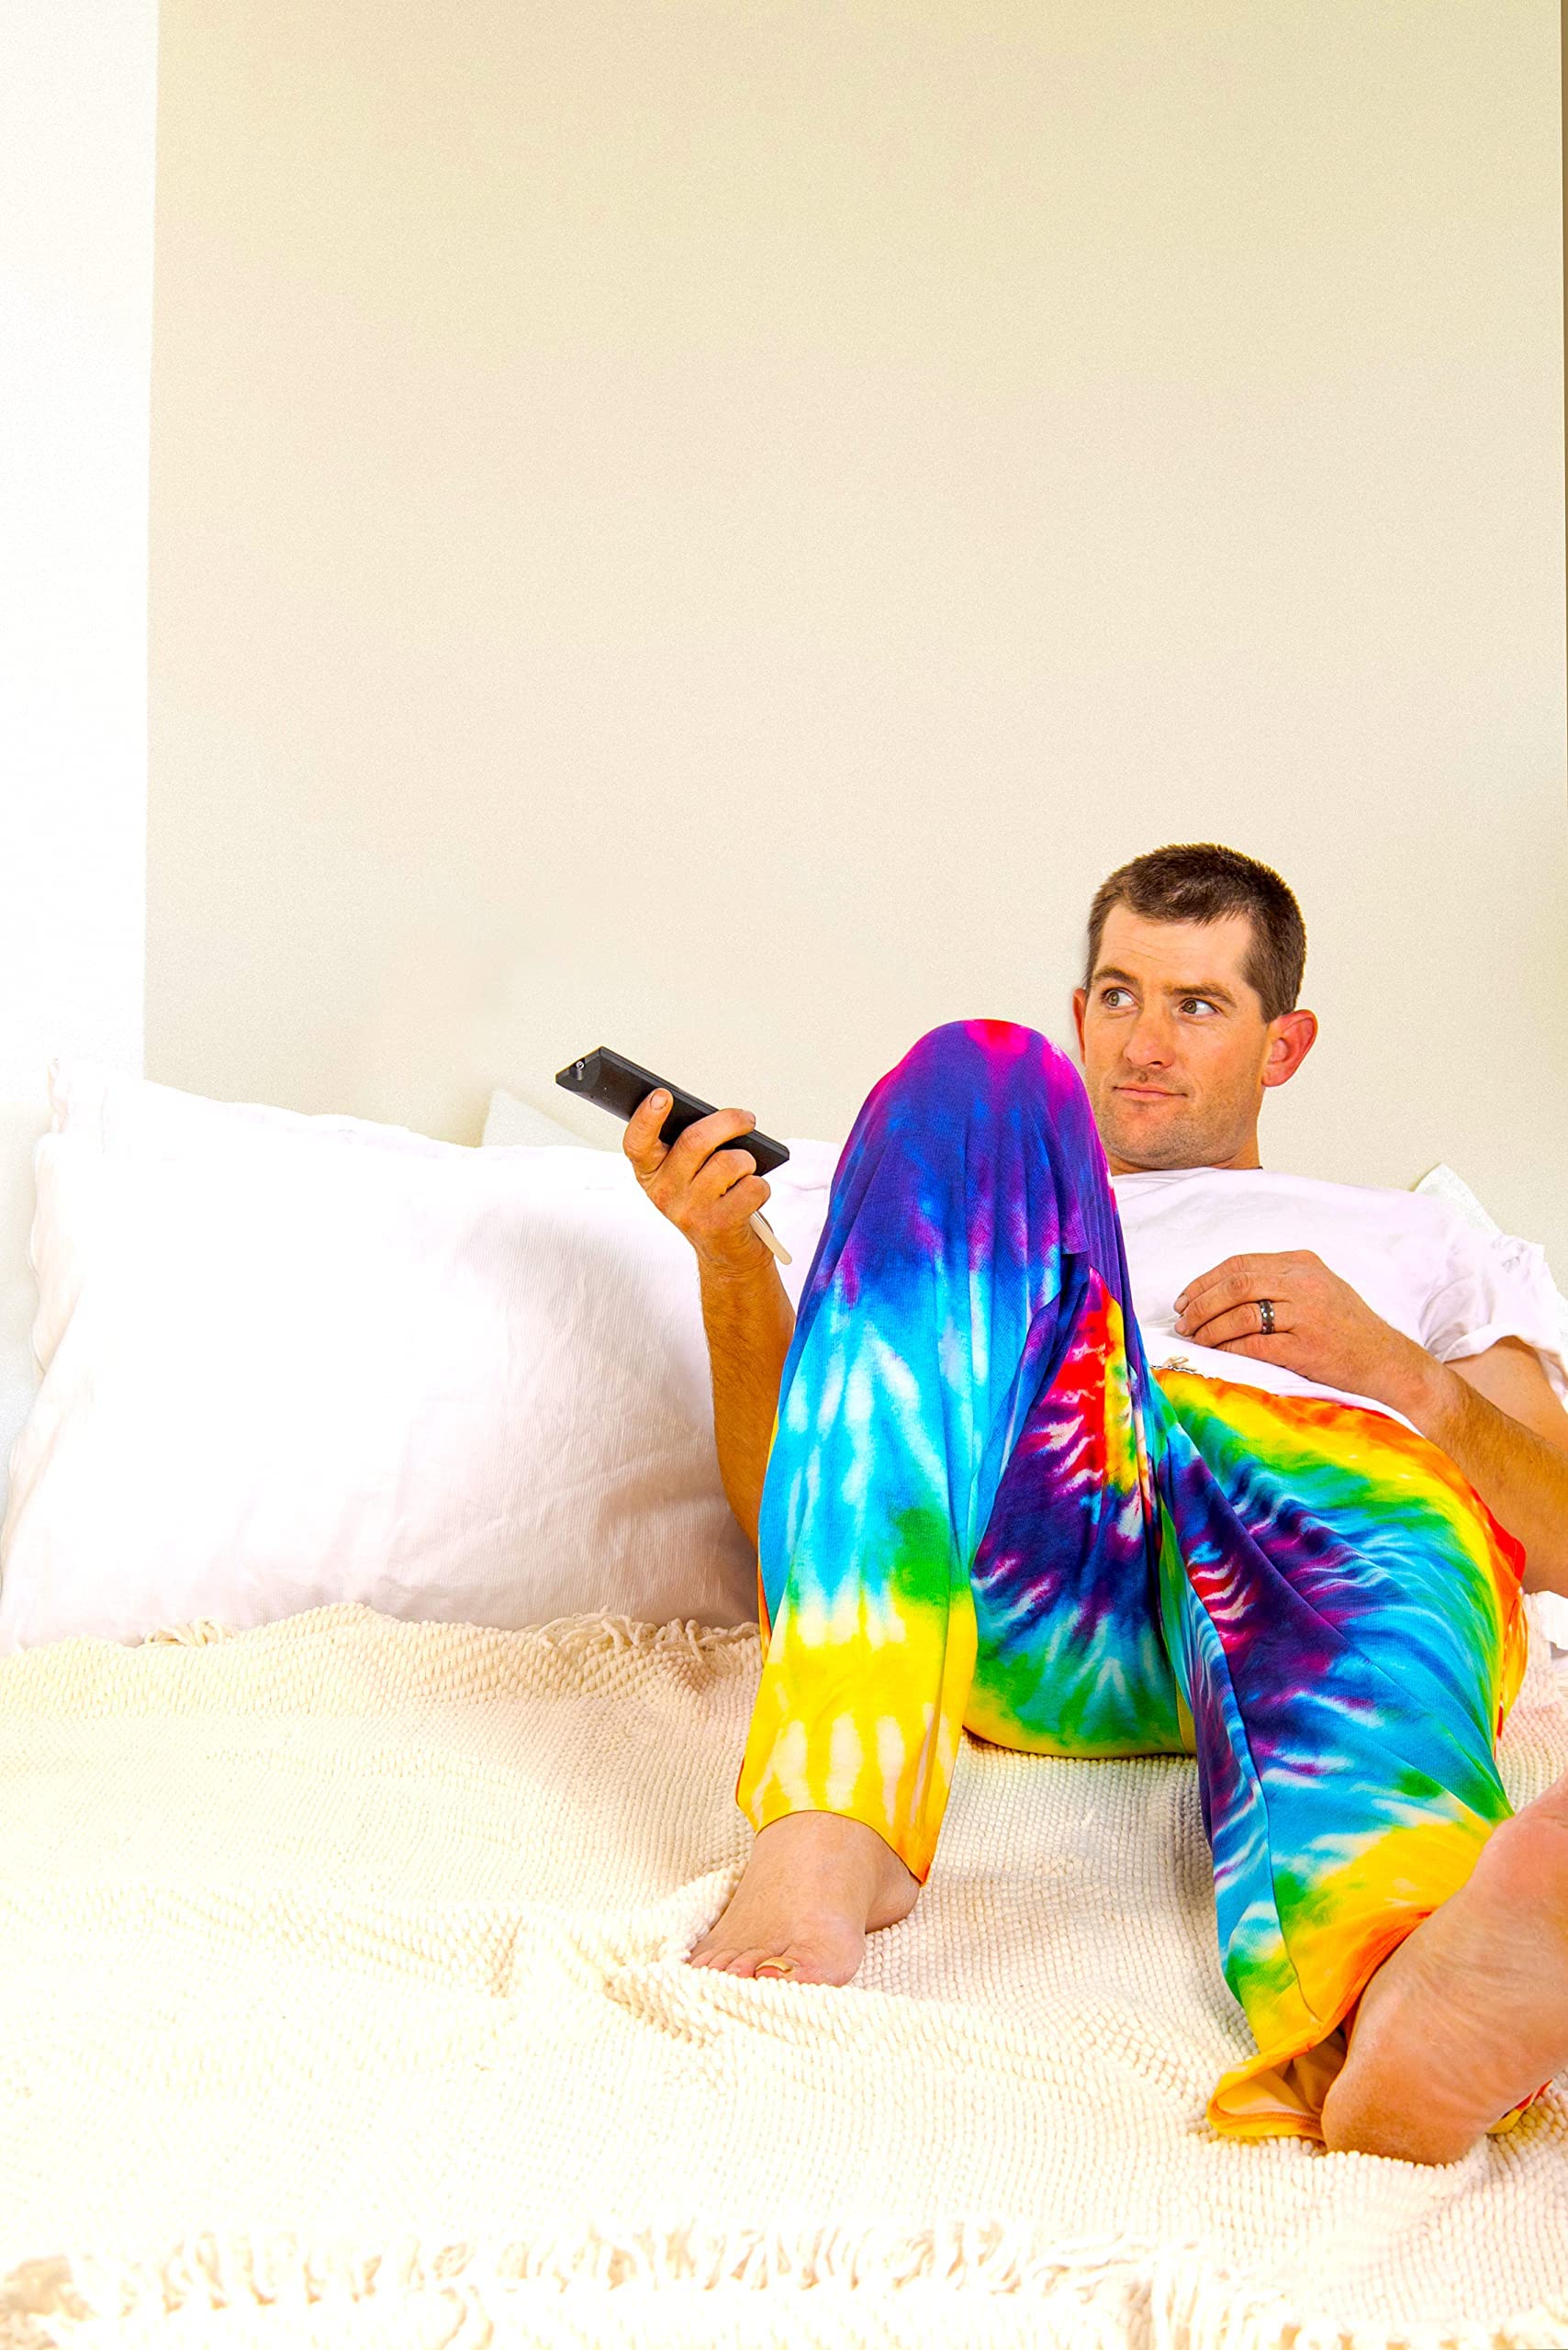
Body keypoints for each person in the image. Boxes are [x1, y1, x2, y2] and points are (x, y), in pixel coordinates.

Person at [624, 843, 1568, 2162]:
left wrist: (1406, 1377)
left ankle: (1404, 1990)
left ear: (1283, 1045)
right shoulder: (990, 1197)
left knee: (1372, 1490)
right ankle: (835, 1826)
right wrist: (731, 1261)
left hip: (1314, 1566)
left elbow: (1559, 1537)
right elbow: (809, 1511)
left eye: (1198, 1005)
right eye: (1117, 995)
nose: (1142, 1040)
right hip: (1056, 1576)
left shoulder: (1428, 1243)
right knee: (970, 1065)